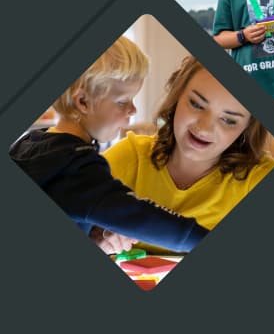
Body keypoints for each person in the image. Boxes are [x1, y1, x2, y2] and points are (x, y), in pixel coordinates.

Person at [9, 37, 209, 255]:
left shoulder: (29, 144)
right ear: (83, 102)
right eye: (123, 101)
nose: (132, 110)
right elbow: (140, 216)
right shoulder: (76, 167)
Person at [103, 56, 274, 253]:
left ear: (247, 128)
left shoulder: (259, 178)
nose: (204, 128)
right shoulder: (129, 156)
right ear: (177, 98)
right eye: (196, 104)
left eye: (229, 120)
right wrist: (95, 238)